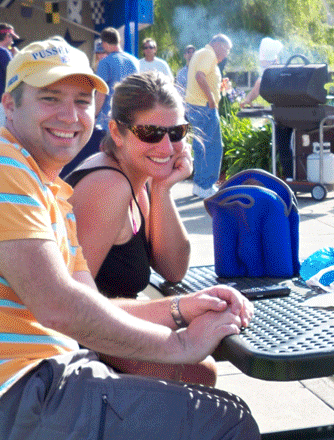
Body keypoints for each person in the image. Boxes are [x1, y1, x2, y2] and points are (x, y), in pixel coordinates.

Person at [0, 37, 259, 440]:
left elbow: (88, 302)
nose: (69, 115)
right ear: (10, 106)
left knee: (206, 396)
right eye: (50, 98)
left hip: (42, 387)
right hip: (3, 402)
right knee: (222, 419)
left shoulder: (50, 190)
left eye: (81, 101)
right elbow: (61, 308)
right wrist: (177, 343)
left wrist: (183, 308)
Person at [65, 70, 218, 387]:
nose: (166, 146)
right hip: (78, 353)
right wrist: (178, 311)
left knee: (202, 360)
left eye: (176, 132)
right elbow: (71, 307)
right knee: (200, 371)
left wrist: (163, 189)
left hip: (106, 334)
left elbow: (173, 268)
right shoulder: (108, 186)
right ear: (117, 133)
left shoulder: (140, 175)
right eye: (150, 133)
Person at [61, 28, 139, 179]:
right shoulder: (134, 61)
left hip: (108, 120)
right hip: (130, 117)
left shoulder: (105, 63)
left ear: (104, 43)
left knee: (106, 159)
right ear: (118, 40)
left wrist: (94, 114)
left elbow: (101, 93)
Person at [239, 37, 297, 179]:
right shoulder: (281, 68)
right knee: (291, 145)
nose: (260, 63)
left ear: (266, 59)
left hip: (283, 114)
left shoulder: (270, 71)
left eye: (262, 61)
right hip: (293, 112)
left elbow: (258, 85)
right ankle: (293, 176)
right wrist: (248, 99)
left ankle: (290, 177)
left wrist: (247, 100)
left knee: (284, 146)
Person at [187, 33, 231, 198]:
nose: (226, 53)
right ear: (218, 44)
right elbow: (200, 76)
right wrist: (212, 99)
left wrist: (217, 87)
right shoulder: (209, 54)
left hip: (196, 105)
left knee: (200, 147)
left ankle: (199, 185)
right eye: (226, 49)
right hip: (205, 107)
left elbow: (202, 76)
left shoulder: (200, 53)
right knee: (213, 147)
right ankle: (206, 186)